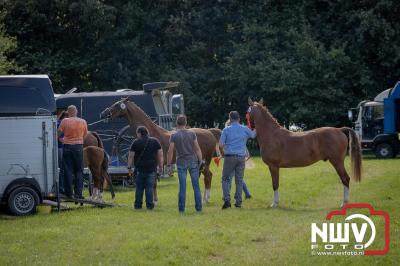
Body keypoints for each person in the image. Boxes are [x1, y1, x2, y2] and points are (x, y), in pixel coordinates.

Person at [220, 111, 256, 209]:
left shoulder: (226, 130)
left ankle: (227, 200)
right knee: (239, 180)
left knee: (225, 179)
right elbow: (253, 135)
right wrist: (256, 125)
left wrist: (222, 153)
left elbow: (221, 145)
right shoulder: (245, 129)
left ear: (230, 119)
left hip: (229, 157)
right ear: (239, 119)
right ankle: (238, 202)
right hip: (241, 157)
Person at [167, 115, 203, 213]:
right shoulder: (192, 133)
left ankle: (181, 209)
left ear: (177, 123)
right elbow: (197, 148)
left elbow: (170, 151)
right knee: (196, 186)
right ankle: (199, 208)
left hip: (181, 162)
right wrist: (201, 161)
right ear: (185, 123)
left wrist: (169, 165)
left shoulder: (174, 135)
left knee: (182, 186)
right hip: (193, 160)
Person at [127, 126, 163, 210]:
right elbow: (160, 155)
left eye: (137, 134)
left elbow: (130, 156)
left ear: (139, 133)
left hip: (139, 169)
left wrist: (129, 167)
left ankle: (138, 205)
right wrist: (161, 166)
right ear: (147, 133)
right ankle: (150, 205)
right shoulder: (155, 141)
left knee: (139, 188)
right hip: (152, 169)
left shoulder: (135, 142)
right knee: (149, 188)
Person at [58, 105, 88, 199]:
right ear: (76, 111)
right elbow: (85, 135)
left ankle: (69, 194)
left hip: (67, 147)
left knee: (67, 170)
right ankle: (78, 194)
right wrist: (79, 141)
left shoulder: (64, 121)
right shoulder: (83, 121)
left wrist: (61, 139)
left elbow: (58, 133)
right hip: (78, 147)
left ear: (68, 112)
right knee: (79, 171)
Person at [57, 111, 68, 194]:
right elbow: (59, 138)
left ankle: (63, 188)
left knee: (63, 169)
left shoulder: (62, 124)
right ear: (63, 117)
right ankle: (62, 188)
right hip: (60, 148)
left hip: (63, 148)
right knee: (62, 169)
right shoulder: (59, 124)